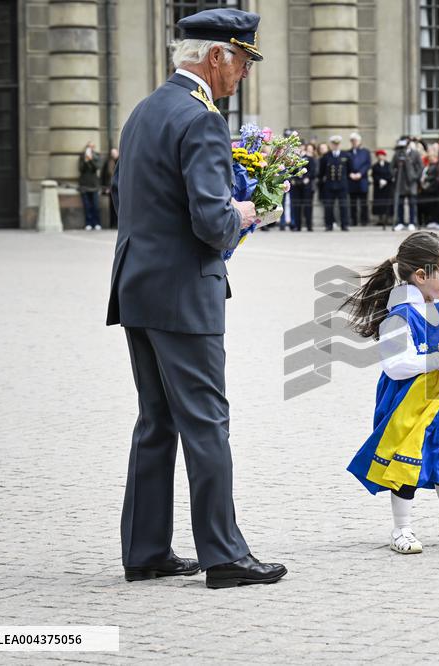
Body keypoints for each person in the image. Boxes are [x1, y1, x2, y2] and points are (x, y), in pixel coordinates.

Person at [107, 7, 285, 588]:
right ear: (215, 57)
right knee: (207, 421)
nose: (243, 74)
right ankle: (225, 555)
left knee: (156, 421)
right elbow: (211, 222)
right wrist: (246, 211)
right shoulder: (201, 119)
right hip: (185, 292)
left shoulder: (145, 110)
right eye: (242, 60)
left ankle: (147, 549)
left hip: (138, 285)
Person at [344, 231, 439, 554]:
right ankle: (402, 529)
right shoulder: (398, 317)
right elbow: (396, 366)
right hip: (405, 401)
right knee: (406, 459)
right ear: (421, 276)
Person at [319, 135, 351, 231]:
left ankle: (344, 225)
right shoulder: (326, 156)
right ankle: (329, 225)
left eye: (337, 144)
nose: (335, 146)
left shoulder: (345, 155)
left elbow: (350, 169)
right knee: (328, 206)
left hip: (342, 185)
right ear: (331, 144)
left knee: (343, 206)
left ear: (339, 144)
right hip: (329, 185)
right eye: (333, 144)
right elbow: (321, 172)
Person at [392, 137, 423, 231]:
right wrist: (395, 175)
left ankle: (412, 222)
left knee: (412, 203)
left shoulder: (415, 153)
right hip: (400, 181)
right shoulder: (398, 154)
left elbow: (420, 166)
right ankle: (400, 222)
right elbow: (392, 166)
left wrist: (416, 177)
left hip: (411, 182)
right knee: (400, 203)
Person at [290, 142, 317, 231]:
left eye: (301, 147)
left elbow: (312, 171)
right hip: (296, 185)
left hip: (306, 185)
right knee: (296, 206)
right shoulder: (293, 159)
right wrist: (292, 179)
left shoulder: (309, 159)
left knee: (307, 206)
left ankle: (309, 226)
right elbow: (290, 171)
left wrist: (307, 178)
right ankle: (298, 226)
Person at [348, 132, 372, 227]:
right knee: (352, 202)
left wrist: (360, 174)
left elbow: (367, 164)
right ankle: (353, 220)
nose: (354, 142)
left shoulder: (365, 152)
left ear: (360, 141)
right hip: (351, 180)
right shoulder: (348, 153)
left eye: (356, 140)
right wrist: (350, 174)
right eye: (352, 141)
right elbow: (347, 166)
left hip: (362, 180)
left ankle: (364, 221)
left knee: (363, 202)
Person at [78, 141, 102, 230]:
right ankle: (88, 223)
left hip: (94, 185)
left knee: (95, 206)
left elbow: (97, 167)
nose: (90, 148)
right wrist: (85, 161)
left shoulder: (96, 156)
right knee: (87, 206)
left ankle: (97, 223)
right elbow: (80, 169)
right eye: (89, 146)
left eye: (92, 146)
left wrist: (91, 160)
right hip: (84, 184)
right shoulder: (82, 156)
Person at [371, 148, 393, 227]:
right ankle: (380, 219)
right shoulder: (375, 166)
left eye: (382, 155)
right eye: (379, 155)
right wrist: (379, 180)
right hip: (379, 187)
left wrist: (386, 180)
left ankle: (388, 219)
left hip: (387, 187)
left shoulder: (389, 165)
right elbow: (374, 175)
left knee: (388, 203)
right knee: (379, 203)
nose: (380, 157)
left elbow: (391, 174)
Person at [100, 147, 119, 229]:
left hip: (120, 187)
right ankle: (113, 224)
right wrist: (105, 187)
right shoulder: (108, 163)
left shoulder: (121, 161)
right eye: (112, 153)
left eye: (115, 152)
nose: (114, 154)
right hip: (111, 188)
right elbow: (104, 176)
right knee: (112, 207)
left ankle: (119, 224)